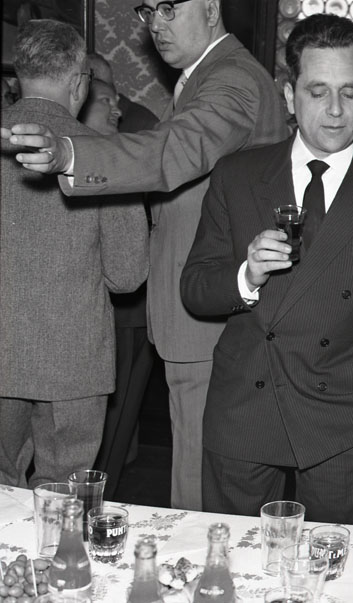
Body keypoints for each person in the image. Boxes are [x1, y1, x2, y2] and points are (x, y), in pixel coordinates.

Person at [2, 0, 290, 511]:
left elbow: (173, 151)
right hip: (97, 350)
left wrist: (72, 153)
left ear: (211, 8)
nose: (156, 23)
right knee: (76, 496)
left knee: (203, 485)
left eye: (169, 7)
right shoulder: (204, 80)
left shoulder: (233, 80)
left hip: (214, 315)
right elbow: (125, 272)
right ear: (79, 82)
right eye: (148, 10)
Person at [180, 13, 353, 525]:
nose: (335, 110)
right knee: (236, 560)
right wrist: (247, 275)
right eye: (318, 92)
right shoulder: (238, 175)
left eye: (349, 92)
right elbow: (196, 290)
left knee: (339, 562)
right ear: (290, 97)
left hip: (344, 421)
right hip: (245, 409)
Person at [0, 19, 149, 488]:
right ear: (80, 81)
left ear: (19, 76)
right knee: (64, 496)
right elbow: (126, 275)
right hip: (74, 361)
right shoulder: (106, 154)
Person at [79, 72, 156, 501]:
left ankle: (104, 502)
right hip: (86, 320)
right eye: (105, 99)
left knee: (118, 425)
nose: (118, 109)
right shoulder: (65, 153)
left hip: (127, 308)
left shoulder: (122, 150)